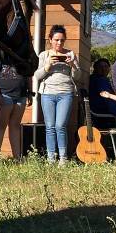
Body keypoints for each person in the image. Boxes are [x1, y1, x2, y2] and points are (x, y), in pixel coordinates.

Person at [35, 25, 80, 165]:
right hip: (47, 93)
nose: (59, 43)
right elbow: (37, 76)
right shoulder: (44, 55)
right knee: (50, 126)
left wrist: (72, 64)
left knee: (60, 125)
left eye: (62, 40)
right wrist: (48, 65)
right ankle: (51, 158)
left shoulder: (71, 54)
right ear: (50, 39)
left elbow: (78, 77)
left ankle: (63, 158)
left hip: (65, 93)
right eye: (56, 40)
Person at [0, 47, 31, 159]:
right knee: (0, 126)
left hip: (21, 95)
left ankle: (18, 159)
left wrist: (29, 91)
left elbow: (28, 74)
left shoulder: (24, 51)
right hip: (3, 94)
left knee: (15, 126)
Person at [88, 58, 116, 128]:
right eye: (100, 67)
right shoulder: (100, 80)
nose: (103, 69)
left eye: (106, 66)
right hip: (103, 115)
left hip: (98, 114)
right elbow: (108, 101)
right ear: (95, 69)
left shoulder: (95, 79)